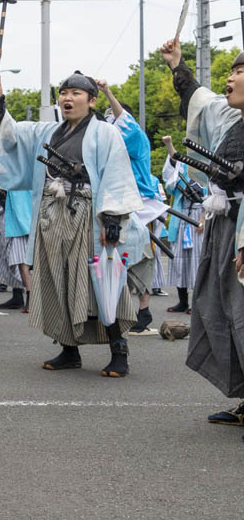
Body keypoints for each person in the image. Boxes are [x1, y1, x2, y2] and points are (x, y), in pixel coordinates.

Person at [0, 72, 145, 377]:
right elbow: (12, 136)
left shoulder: (105, 133)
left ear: (92, 100)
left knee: (102, 282)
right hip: (51, 213)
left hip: (88, 213)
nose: (67, 99)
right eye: (63, 93)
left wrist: (112, 218)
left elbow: (116, 173)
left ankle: (119, 351)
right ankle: (68, 350)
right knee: (57, 279)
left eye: (75, 93)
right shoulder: (47, 131)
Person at [157, 40, 244, 426]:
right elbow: (200, 100)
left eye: (240, 72)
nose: (230, 77)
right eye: (231, 71)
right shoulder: (230, 120)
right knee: (218, 308)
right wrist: (178, 66)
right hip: (227, 228)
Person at [96, 78, 167, 335]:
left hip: (141, 204)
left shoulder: (135, 136)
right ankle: (118, 308)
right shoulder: (107, 143)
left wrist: (107, 91)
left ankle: (144, 309)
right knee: (117, 254)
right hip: (119, 203)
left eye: (113, 118)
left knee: (143, 255)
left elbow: (123, 121)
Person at [160, 135, 203, 314]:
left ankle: (198, 302)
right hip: (181, 215)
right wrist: (169, 145)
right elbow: (170, 176)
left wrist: (204, 220)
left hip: (199, 215)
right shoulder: (182, 165)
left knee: (197, 260)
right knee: (178, 259)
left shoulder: (205, 166)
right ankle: (182, 301)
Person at [0, 185, 33, 311]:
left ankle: (31, 298)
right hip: (4, 217)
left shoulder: (21, 176)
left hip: (19, 219)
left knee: (21, 260)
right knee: (8, 259)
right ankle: (17, 297)